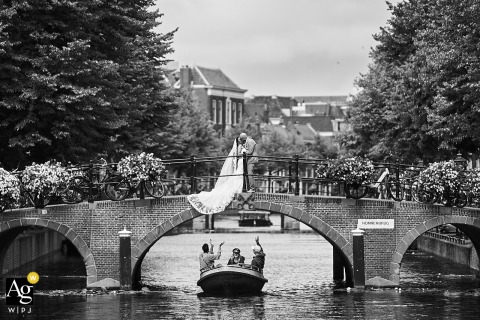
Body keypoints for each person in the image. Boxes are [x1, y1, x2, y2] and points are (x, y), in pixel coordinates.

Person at [187, 137, 245, 214]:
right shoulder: (240, 146)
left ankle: (241, 190)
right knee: (239, 177)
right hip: (242, 164)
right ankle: (240, 190)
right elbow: (238, 154)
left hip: (242, 165)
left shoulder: (241, 146)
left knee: (240, 177)